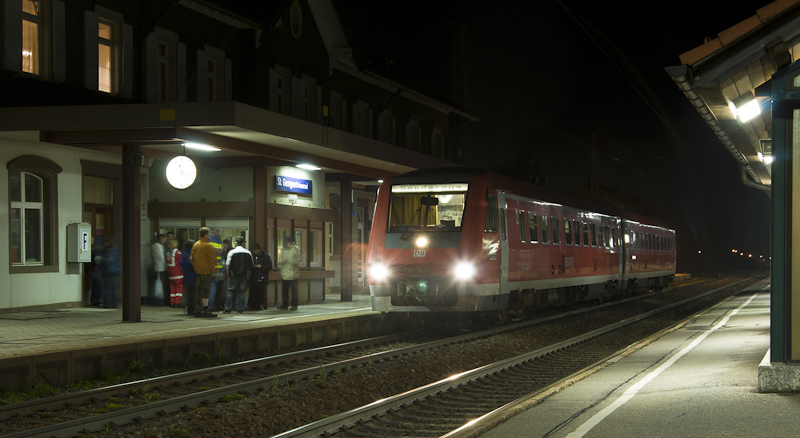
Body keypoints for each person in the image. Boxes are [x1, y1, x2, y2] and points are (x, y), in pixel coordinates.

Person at [190, 227, 217, 317]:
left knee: (198, 291)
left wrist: (196, 268)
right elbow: (212, 260)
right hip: (206, 272)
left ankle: (198, 310)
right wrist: (214, 272)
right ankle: (206, 309)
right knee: (206, 291)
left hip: (198, 271)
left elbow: (192, 259)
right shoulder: (208, 246)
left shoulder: (195, 245)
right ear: (206, 235)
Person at [224, 236, 253, 314]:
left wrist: (229, 274)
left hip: (234, 275)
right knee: (242, 292)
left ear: (236, 243)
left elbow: (227, 265)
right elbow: (251, 266)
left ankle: (227, 308)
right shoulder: (248, 252)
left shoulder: (232, 252)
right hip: (244, 275)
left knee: (230, 291)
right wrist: (248, 275)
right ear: (243, 243)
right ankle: (240, 309)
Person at [279, 236, 301, 310]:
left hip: (293, 273)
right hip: (285, 273)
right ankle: (284, 305)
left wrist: (289, 260)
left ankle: (294, 305)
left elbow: (298, 260)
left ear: (289, 242)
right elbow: (280, 259)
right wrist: (282, 261)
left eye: (285, 242)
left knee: (294, 291)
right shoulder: (284, 250)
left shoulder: (296, 249)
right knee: (284, 291)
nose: (284, 244)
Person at [249, 243, 272, 310]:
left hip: (262, 276)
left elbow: (269, 266)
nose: (256, 253)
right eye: (254, 252)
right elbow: (249, 266)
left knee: (261, 291)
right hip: (254, 277)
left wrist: (262, 266)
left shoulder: (266, 256)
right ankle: (252, 306)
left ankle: (260, 305)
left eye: (257, 251)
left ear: (260, 249)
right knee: (252, 292)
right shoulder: (252, 256)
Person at [101, 237, 120, 309]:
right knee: (112, 288)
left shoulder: (109, 250)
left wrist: (102, 260)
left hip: (109, 271)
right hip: (114, 270)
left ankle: (107, 304)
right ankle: (114, 304)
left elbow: (108, 260)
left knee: (108, 288)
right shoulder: (115, 250)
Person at [165, 239, 184, 308]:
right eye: (176, 243)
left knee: (172, 288)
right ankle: (177, 303)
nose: (177, 244)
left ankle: (172, 302)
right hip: (177, 272)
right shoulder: (176, 251)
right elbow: (181, 260)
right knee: (179, 287)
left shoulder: (167, 251)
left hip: (170, 272)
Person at [181, 240, 197, 315]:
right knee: (192, 294)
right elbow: (191, 263)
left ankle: (190, 309)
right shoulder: (192, 254)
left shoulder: (185, 253)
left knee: (190, 293)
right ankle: (191, 309)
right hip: (192, 275)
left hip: (187, 275)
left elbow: (183, 264)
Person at [150, 234, 167, 306]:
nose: (166, 240)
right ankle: (158, 300)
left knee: (156, 284)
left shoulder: (154, 246)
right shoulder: (158, 247)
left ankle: (155, 300)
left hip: (157, 267)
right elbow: (161, 257)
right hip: (160, 267)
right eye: (165, 239)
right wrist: (165, 266)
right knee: (159, 285)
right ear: (161, 238)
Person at [87, 237, 103, 306]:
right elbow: (87, 262)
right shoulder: (87, 249)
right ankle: (95, 299)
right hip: (91, 269)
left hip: (96, 268)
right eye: (90, 240)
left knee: (96, 283)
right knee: (99, 282)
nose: (92, 241)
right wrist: (93, 267)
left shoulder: (94, 249)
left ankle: (95, 299)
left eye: (93, 240)